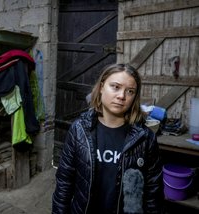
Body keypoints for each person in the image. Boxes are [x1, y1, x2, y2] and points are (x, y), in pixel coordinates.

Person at [52, 63, 163, 214]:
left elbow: (153, 193)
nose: (122, 96)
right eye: (115, 87)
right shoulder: (79, 130)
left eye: (130, 91)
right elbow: (64, 183)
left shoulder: (145, 138)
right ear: (102, 86)